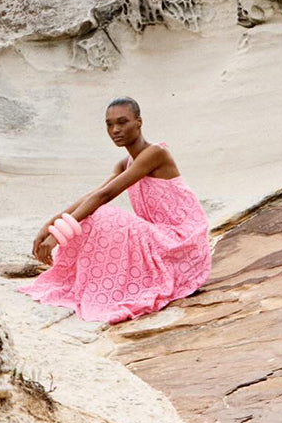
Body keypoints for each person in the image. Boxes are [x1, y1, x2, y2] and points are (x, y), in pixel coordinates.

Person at [18, 98, 211, 323]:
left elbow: (105, 196)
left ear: (138, 122)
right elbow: (91, 196)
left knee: (104, 214)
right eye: (109, 124)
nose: (115, 130)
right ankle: (91, 284)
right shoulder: (124, 163)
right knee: (90, 215)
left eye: (122, 122)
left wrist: (56, 238)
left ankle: (106, 290)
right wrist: (48, 226)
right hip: (159, 234)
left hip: (182, 242)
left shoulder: (156, 153)